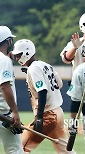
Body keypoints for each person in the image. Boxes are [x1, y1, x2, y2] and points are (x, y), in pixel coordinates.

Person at [12, 39, 75, 153]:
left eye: (18, 55)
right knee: (65, 151)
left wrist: (40, 116)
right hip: (58, 113)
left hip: (48, 115)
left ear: (27, 52)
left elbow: (42, 91)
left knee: (19, 148)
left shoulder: (33, 68)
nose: (17, 58)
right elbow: (59, 84)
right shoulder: (44, 64)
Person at [0, 26, 24, 154]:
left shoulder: (5, 60)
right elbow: (4, 86)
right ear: (8, 41)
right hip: (4, 115)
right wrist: (14, 112)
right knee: (14, 150)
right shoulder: (3, 60)